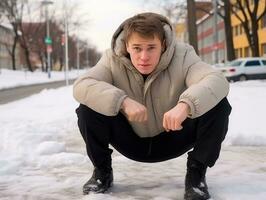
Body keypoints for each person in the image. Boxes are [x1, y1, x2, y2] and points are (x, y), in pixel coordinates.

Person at [73, 12, 232, 200]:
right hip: (129, 139)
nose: (144, 56)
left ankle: (196, 175)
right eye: (137, 48)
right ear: (126, 46)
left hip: (173, 135)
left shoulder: (183, 55)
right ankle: (102, 173)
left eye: (151, 48)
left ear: (163, 45)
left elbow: (217, 81)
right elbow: (82, 85)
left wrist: (186, 105)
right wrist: (121, 101)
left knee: (218, 105)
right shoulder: (111, 59)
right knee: (88, 107)